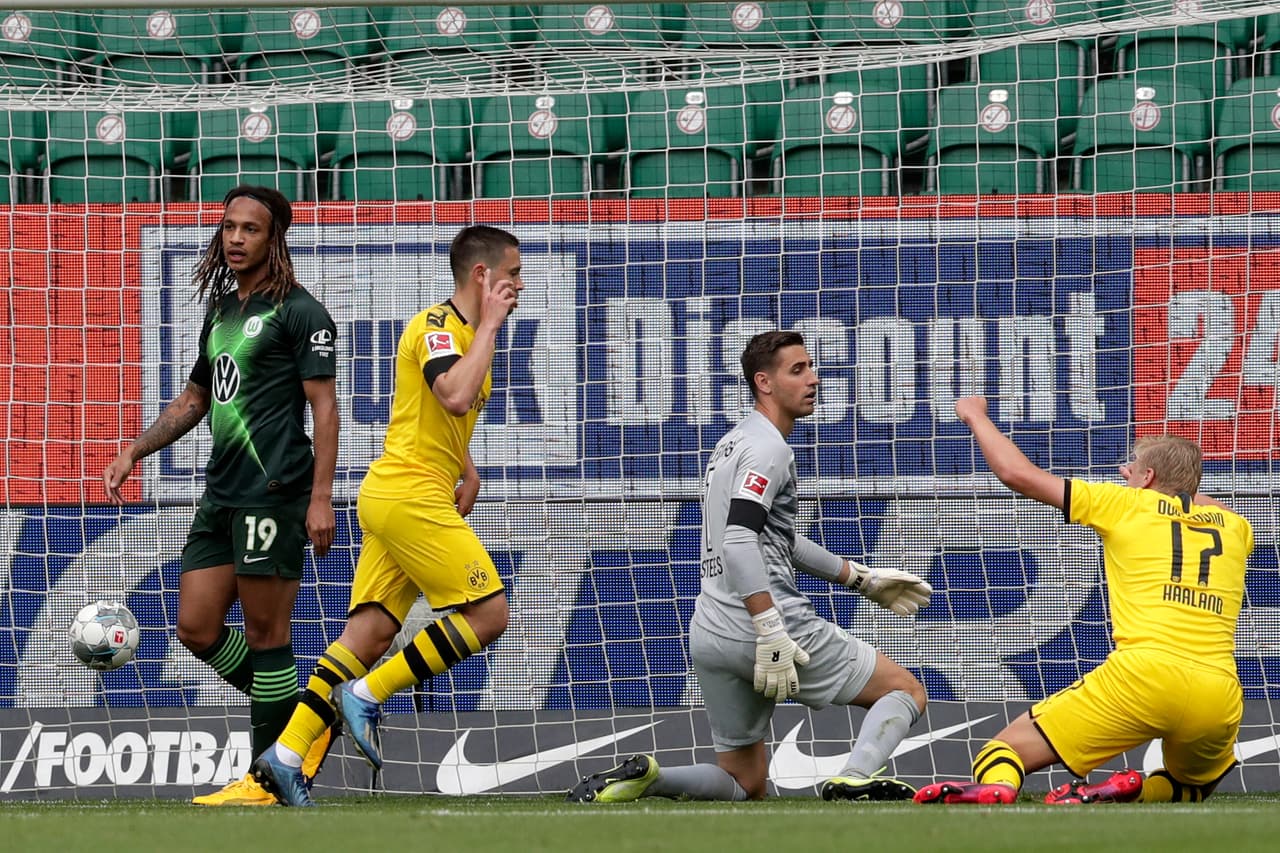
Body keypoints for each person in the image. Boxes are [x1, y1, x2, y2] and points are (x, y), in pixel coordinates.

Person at [567, 330, 932, 804]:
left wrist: (860, 578)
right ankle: (856, 775)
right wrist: (769, 629)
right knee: (905, 689)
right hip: (765, 625)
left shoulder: (730, 445)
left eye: (811, 367)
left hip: (711, 629)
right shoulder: (770, 449)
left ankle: (652, 778)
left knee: (745, 781)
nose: (814, 379)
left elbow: (770, 536)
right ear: (764, 382)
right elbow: (740, 539)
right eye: (797, 370)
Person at [250, 224, 523, 806]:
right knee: (489, 613)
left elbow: (437, 415)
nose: (518, 286)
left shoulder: (472, 336)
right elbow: (451, 394)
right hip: (408, 495)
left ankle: (285, 754)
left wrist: (466, 467)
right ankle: (369, 695)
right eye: (513, 274)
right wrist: (492, 327)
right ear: (483, 275)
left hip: (402, 491)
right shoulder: (435, 327)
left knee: (368, 632)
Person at [102, 185, 340, 806]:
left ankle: (265, 781)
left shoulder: (300, 312)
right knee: (195, 626)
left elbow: (325, 408)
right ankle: (307, 726)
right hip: (221, 495)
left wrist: (321, 497)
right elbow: (194, 400)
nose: (235, 238)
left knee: (268, 637)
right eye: (228, 226)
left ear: (274, 238)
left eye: (250, 229)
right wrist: (135, 449)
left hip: (275, 491)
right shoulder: (220, 310)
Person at [915, 396, 1253, 806]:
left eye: (1131, 467)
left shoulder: (1125, 504)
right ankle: (1129, 791)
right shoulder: (1236, 528)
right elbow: (1191, 499)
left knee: (1001, 752)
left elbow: (1016, 473)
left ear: (1146, 477)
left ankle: (1000, 788)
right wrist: (1164, 482)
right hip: (1218, 691)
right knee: (1195, 785)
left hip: (1143, 676)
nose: (1121, 472)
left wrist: (976, 416)